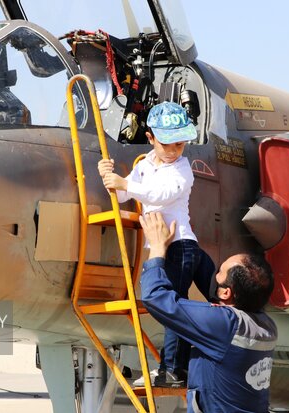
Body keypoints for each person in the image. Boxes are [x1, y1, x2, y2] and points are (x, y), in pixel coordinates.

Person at [98, 101, 207, 387]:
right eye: (167, 144)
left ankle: (172, 370)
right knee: (174, 306)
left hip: (179, 245)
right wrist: (108, 176)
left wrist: (124, 184)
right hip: (168, 247)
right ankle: (174, 368)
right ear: (150, 138)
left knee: (172, 308)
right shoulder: (145, 165)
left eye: (180, 145)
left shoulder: (182, 169)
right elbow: (123, 196)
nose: (173, 151)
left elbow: (159, 194)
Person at [139, 212, 277, 413]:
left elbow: (155, 298)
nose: (215, 273)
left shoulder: (223, 325)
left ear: (226, 292)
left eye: (219, 271)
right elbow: (222, 304)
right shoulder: (266, 325)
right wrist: (188, 246)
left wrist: (158, 247)